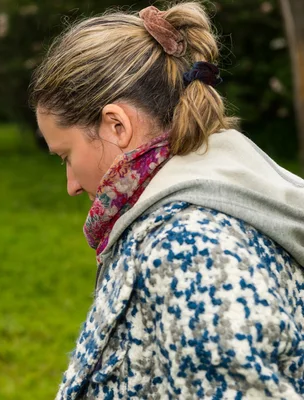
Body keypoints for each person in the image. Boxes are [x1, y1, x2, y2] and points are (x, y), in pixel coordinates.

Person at [29, 2, 304, 399]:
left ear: (116, 125)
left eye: (66, 156)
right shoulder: (195, 211)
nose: (71, 184)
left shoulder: (189, 250)